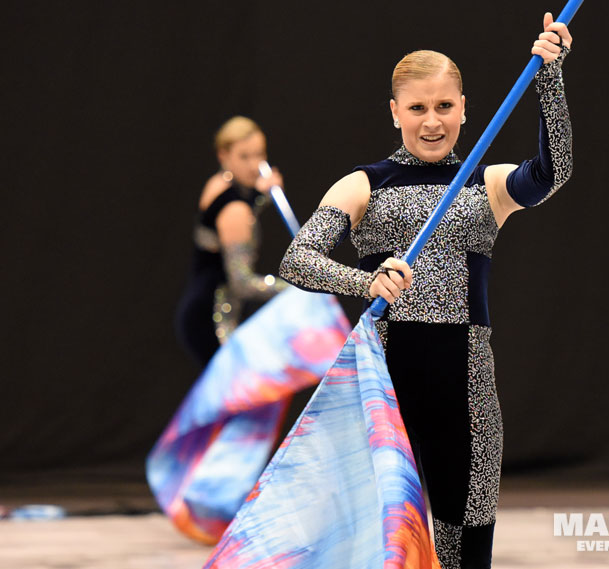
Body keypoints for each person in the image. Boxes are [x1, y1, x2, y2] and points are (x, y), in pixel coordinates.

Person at [279, 13, 573, 568]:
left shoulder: (486, 184)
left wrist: (550, 77)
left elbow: (551, 171)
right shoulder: (362, 184)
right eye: (417, 108)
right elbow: (299, 259)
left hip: (470, 400)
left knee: (467, 551)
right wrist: (365, 280)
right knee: (385, 548)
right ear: (395, 112)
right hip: (387, 398)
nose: (432, 121)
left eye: (444, 106)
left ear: (465, 107)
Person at [176, 116, 288, 366]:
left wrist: (261, 196)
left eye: (260, 155)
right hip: (215, 319)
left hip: (202, 308)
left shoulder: (217, 184)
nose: (254, 165)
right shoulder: (236, 209)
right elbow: (242, 283)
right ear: (223, 156)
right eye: (244, 157)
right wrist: (294, 289)